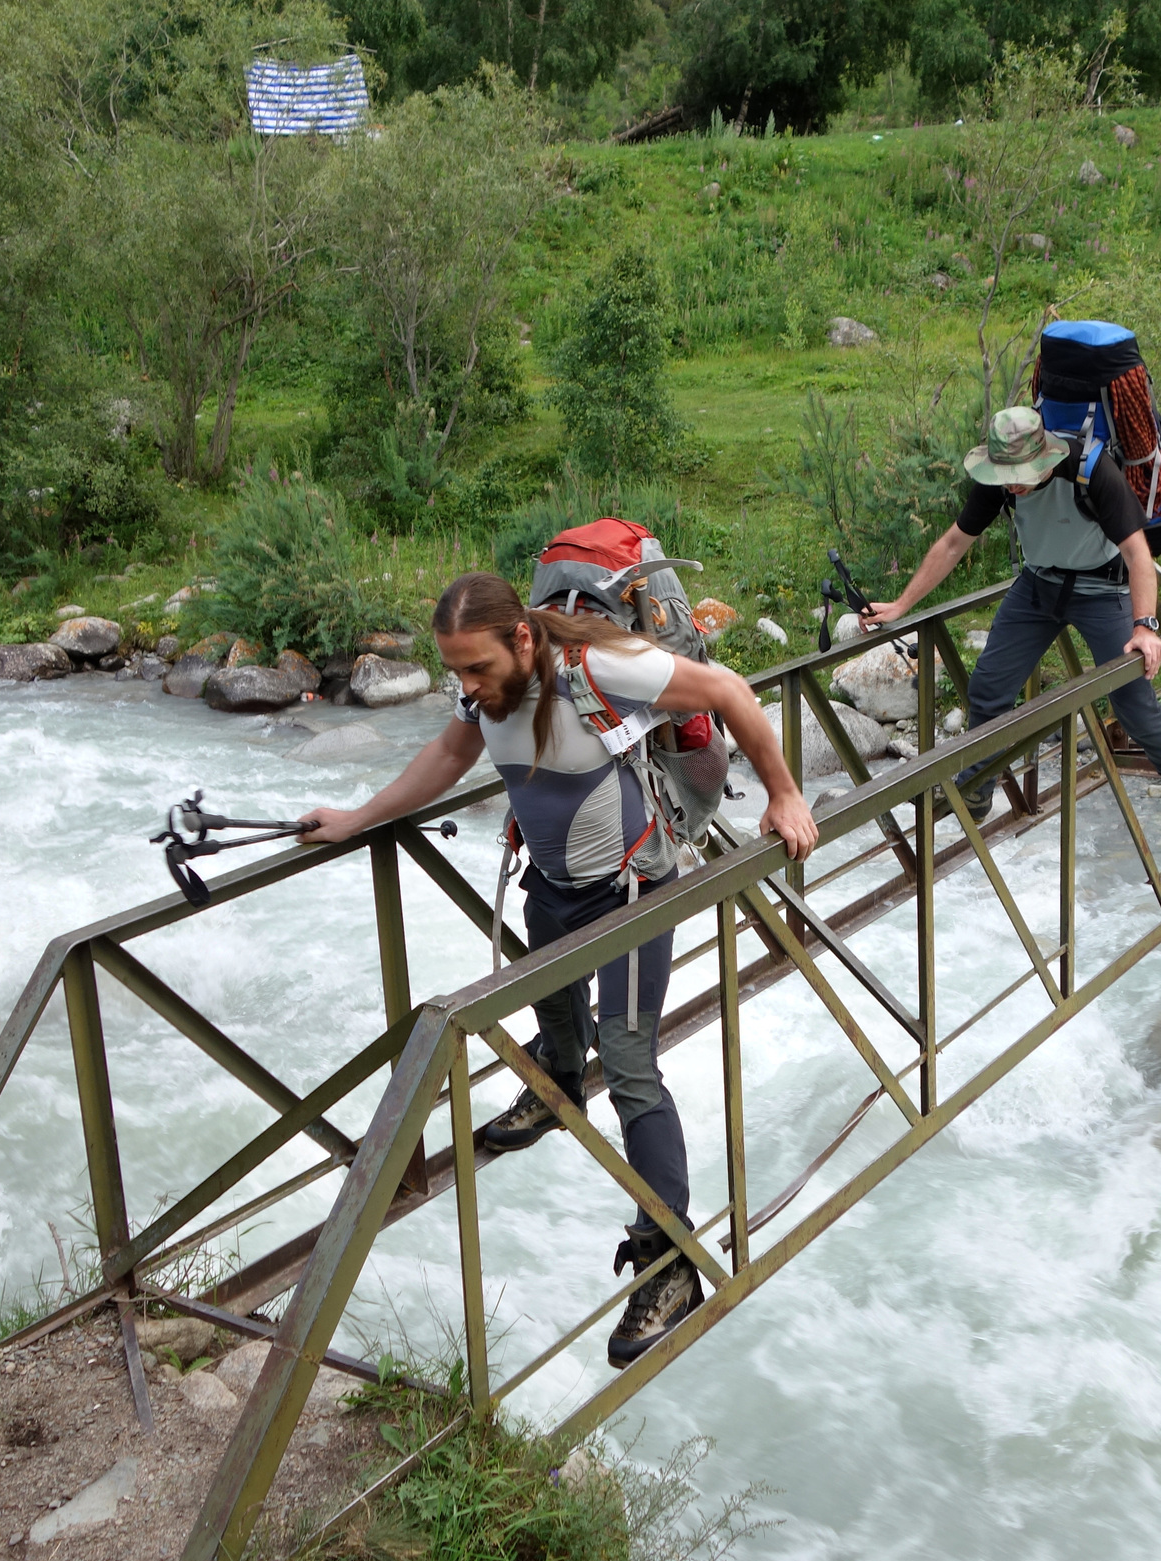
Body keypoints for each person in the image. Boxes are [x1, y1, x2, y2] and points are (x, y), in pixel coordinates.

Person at [296, 571, 817, 1370]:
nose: (466, 688)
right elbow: (447, 751)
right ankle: (556, 1087)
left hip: (633, 894)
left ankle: (670, 1259)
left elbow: (728, 689)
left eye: (477, 668)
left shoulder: (599, 671)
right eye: (455, 673)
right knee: (557, 1026)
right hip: (552, 892)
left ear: (525, 640)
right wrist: (359, 817)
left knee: (634, 1065)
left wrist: (783, 794)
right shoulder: (486, 697)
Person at [867, 404, 1161, 832]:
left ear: (1043, 458)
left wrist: (1145, 626)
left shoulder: (1092, 471)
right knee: (988, 687)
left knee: (1134, 704)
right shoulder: (1002, 478)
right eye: (1005, 476)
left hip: (1104, 589)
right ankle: (975, 791)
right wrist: (901, 604)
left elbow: (1139, 553)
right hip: (1038, 585)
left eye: (1020, 476)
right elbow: (954, 542)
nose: (1012, 485)